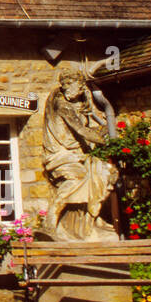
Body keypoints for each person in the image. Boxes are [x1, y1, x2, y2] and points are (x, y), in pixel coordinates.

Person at [42, 66, 118, 241]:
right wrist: (111, 141)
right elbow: (81, 130)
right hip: (61, 155)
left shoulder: (74, 101)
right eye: (79, 86)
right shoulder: (60, 103)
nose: (82, 90)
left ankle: (91, 218)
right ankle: (51, 219)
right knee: (77, 178)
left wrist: (101, 130)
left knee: (101, 175)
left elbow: (86, 128)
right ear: (68, 84)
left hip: (78, 153)